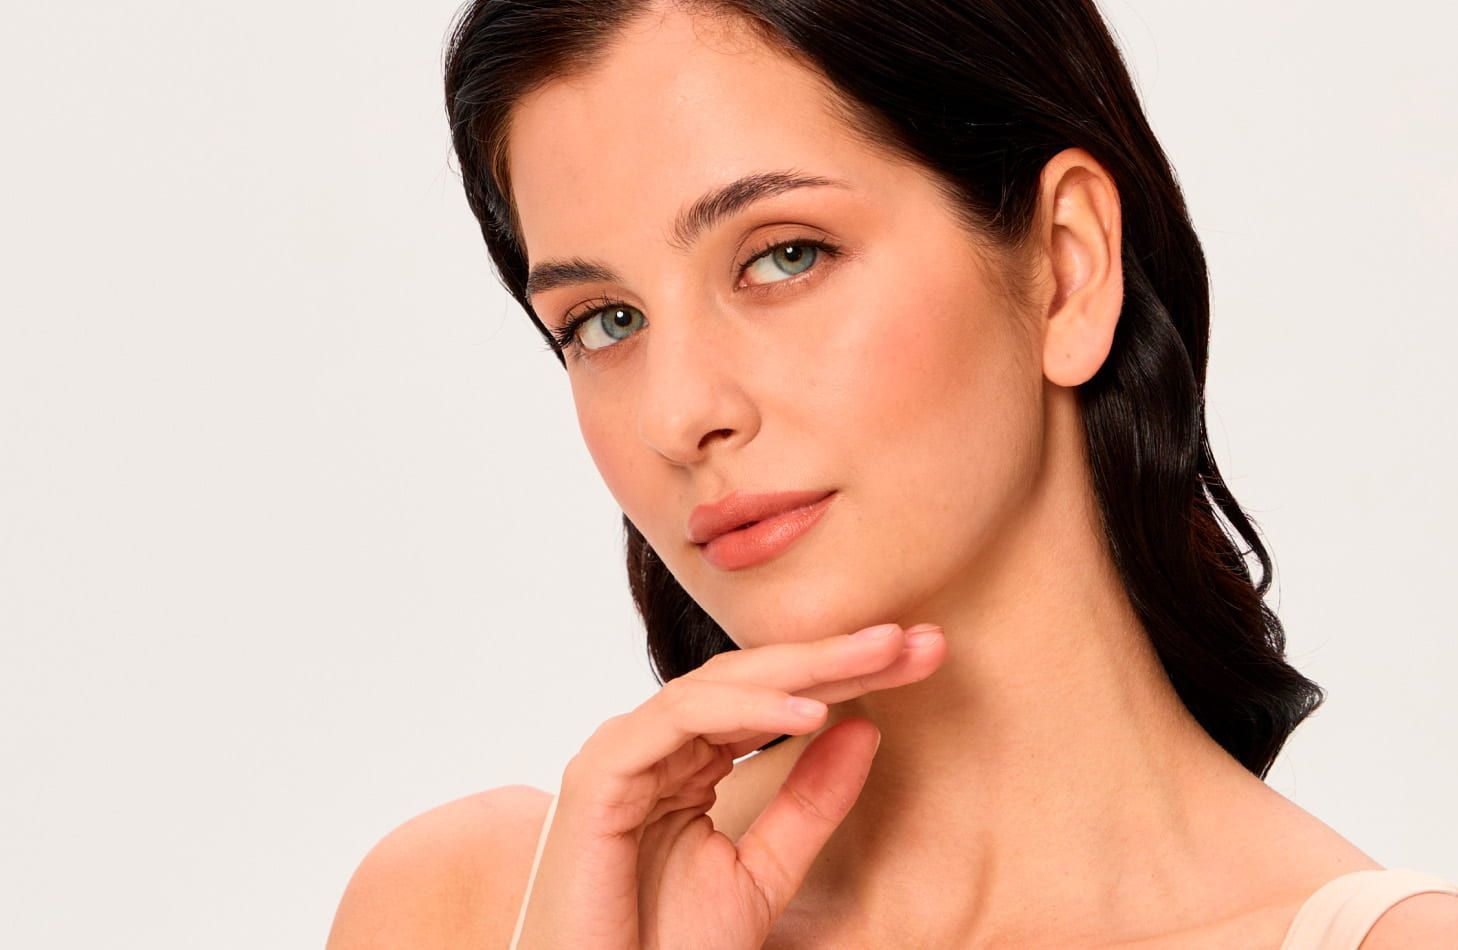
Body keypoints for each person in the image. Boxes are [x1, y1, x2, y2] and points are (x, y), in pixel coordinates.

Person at [327, 1, 1458, 946]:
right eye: (604, 320)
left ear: (1066, 268)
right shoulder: (475, 910)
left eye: (784, 255)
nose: (679, 414)